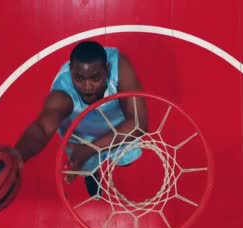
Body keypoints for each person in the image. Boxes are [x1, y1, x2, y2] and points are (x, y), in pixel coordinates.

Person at [13, 40, 148, 196]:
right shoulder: (62, 94)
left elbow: (138, 123)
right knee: (86, 167)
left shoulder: (119, 67)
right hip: (83, 136)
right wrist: (18, 155)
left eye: (95, 78)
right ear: (70, 72)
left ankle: (98, 160)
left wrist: (89, 150)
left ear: (107, 70)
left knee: (126, 161)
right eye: (79, 78)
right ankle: (92, 175)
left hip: (119, 127)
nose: (87, 86)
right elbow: (42, 129)